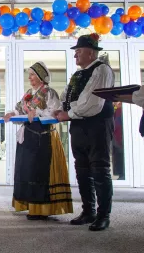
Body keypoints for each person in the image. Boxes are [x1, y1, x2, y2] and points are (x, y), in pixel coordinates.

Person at [54, 33, 115, 231]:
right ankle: (89, 211)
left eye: (78, 52)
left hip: (97, 126)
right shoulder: (77, 75)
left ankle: (103, 215)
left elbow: (92, 103)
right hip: (79, 126)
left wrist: (69, 112)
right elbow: (67, 97)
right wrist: (61, 110)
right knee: (82, 170)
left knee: (100, 169)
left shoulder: (102, 70)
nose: (75, 56)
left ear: (91, 53)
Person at [3, 61, 73, 220]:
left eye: (33, 74)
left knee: (40, 171)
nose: (30, 78)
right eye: (30, 74)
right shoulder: (29, 93)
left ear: (42, 76)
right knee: (27, 170)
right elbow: (20, 109)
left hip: (44, 138)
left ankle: (41, 209)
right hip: (28, 136)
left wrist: (37, 112)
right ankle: (30, 205)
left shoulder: (49, 92)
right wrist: (11, 113)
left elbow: (54, 113)